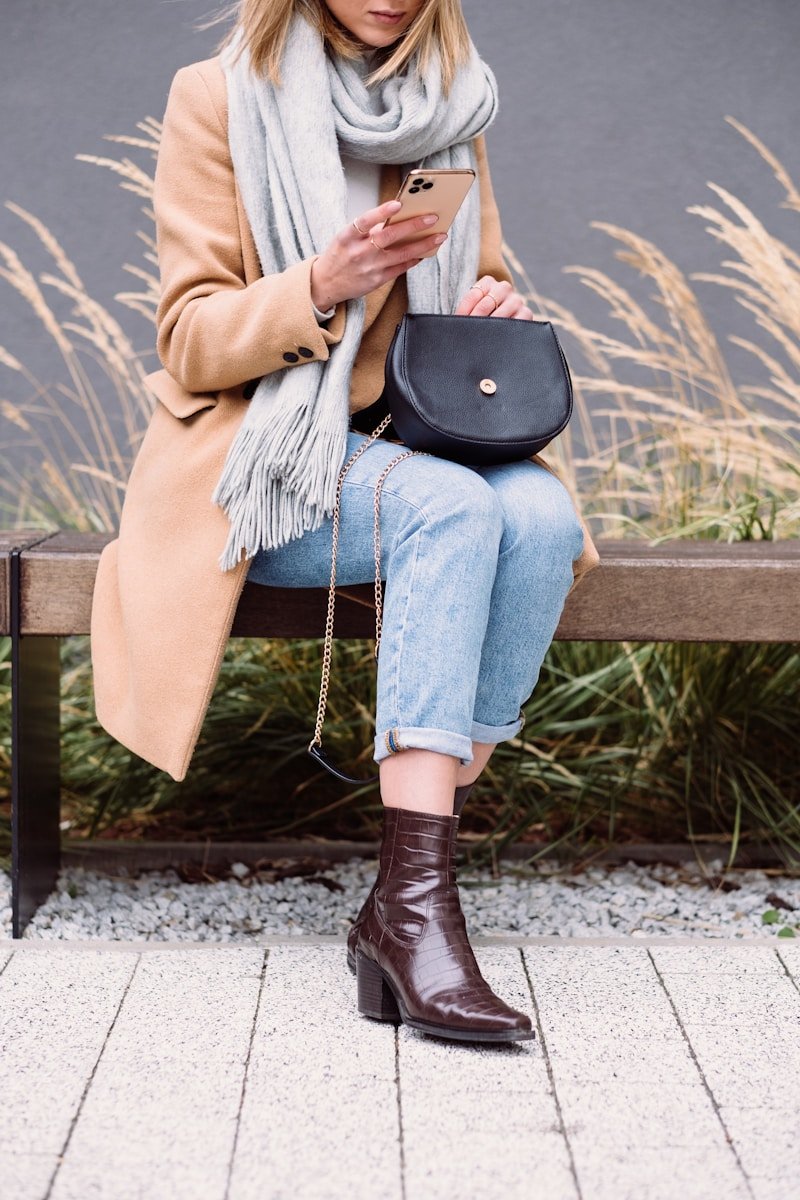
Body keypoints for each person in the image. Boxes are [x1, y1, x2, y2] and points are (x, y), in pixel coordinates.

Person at [90, 0, 599, 1044]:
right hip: (262, 469)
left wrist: (492, 302)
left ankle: (405, 881)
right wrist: (320, 286)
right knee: (453, 506)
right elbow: (187, 339)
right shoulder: (218, 98)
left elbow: (477, 275)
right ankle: (417, 914)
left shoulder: (451, 108)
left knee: (541, 520)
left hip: (414, 442)